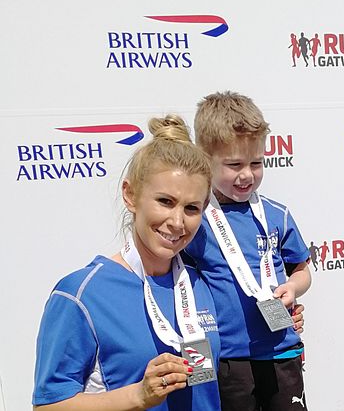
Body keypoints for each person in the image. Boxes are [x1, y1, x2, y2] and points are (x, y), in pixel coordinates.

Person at [33, 115, 221, 410]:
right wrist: (138, 396)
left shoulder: (201, 284)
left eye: (191, 208)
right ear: (131, 195)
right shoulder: (81, 294)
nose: (177, 222)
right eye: (165, 201)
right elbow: (47, 406)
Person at [185, 91, 312, 411]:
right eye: (233, 164)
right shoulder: (193, 220)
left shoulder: (277, 214)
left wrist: (292, 288)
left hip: (281, 351)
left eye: (256, 163)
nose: (247, 174)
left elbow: (302, 270)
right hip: (225, 360)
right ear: (205, 159)